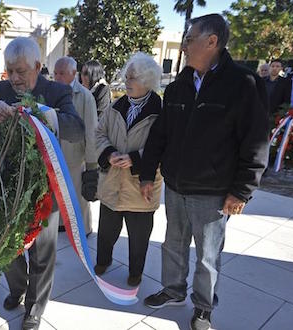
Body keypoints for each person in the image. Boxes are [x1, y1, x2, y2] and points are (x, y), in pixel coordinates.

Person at [139, 14, 269, 330]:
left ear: (212, 41)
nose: (184, 46)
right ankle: (172, 291)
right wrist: (146, 173)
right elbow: (160, 134)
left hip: (212, 191)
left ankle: (203, 308)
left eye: (189, 39)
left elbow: (255, 140)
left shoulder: (243, 84)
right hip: (176, 186)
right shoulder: (180, 85)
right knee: (173, 244)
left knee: (208, 256)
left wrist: (242, 191)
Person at [0, 37, 84, 330]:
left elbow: (77, 129)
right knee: (6, 249)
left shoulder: (57, 91)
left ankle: (34, 309)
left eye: (21, 71)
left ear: (38, 67)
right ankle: (17, 289)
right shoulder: (2, 90)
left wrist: (43, 115)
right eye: (10, 71)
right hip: (6, 187)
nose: (14, 78)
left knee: (42, 255)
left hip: (44, 188)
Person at [94, 52, 163, 287]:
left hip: (140, 188)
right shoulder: (116, 106)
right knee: (106, 232)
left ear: (148, 81)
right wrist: (109, 153)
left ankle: (136, 272)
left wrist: (135, 158)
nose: (127, 82)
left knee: (139, 237)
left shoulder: (160, 112)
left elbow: (165, 147)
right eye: (127, 76)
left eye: (133, 78)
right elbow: (99, 133)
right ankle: (102, 261)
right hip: (112, 183)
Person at [53, 56, 98, 236]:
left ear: (73, 73)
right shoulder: (51, 92)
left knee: (78, 197)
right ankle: (61, 225)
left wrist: (91, 164)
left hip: (75, 156)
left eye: (61, 73)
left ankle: (83, 229)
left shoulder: (85, 96)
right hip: (54, 154)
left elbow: (91, 131)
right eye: (55, 73)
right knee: (57, 194)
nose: (57, 77)